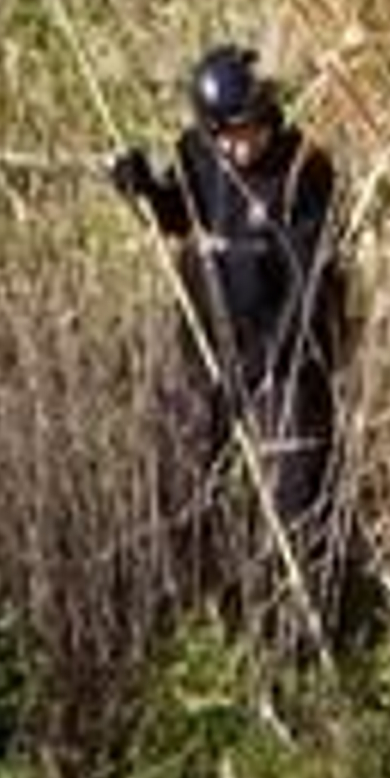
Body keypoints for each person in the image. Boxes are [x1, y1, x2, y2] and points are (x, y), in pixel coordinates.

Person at [110, 42, 346, 642]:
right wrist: (141, 187)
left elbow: (309, 282)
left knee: (296, 495)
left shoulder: (305, 169)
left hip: (288, 354)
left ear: (270, 114)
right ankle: (218, 614)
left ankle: (302, 631)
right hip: (212, 347)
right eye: (227, 135)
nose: (241, 146)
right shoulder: (199, 154)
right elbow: (178, 215)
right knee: (188, 484)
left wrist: (267, 366)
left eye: (250, 130)